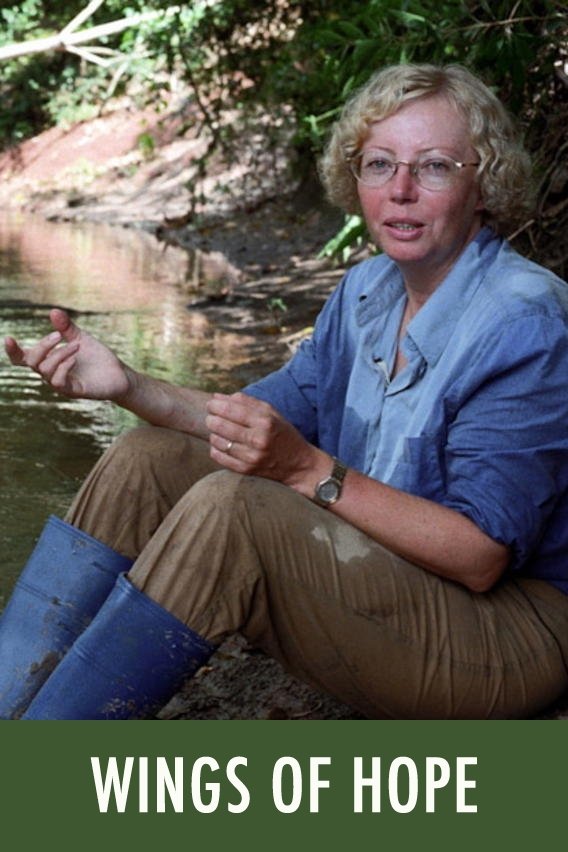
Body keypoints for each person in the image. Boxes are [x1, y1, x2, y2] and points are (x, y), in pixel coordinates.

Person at [1, 62, 568, 720]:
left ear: (485, 184)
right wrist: (126, 384)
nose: (402, 189)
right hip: (399, 581)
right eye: (379, 164)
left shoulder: (526, 321)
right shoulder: (367, 292)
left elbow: (479, 554)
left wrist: (310, 471)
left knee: (234, 509)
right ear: (355, 179)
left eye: (435, 166)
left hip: (511, 635)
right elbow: (253, 424)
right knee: (145, 458)